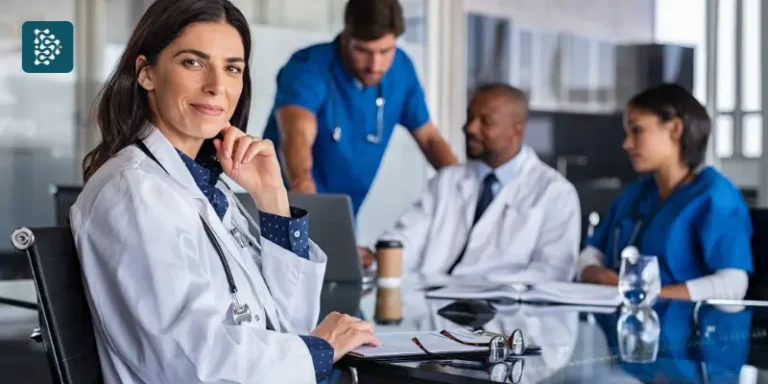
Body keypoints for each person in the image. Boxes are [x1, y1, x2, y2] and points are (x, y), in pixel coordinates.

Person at [70, 1, 379, 383]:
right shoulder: (133, 191)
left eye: (232, 68)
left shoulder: (208, 189)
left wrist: (273, 200)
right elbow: (187, 360)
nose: (217, 86)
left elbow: (288, 324)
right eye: (193, 62)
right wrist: (321, 349)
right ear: (146, 73)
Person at [262, 0, 458, 220]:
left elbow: (430, 139)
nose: (375, 65)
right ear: (346, 37)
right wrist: (308, 201)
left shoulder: (402, 70)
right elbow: (296, 133)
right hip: (288, 207)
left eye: (385, 51)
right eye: (364, 51)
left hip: (342, 215)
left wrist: (466, 190)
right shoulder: (309, 67)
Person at [367, 83, 581, 280]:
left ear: (517, 130)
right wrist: (377, 259)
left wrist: (482, 287)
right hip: (432, 311)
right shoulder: (446, 181)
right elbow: (406, 241)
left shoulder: (555, 192)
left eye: (485, 122)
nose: (470, 128)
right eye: (470, 118)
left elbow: (553, 271)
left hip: (511, 315)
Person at [578, 83, 753, 301]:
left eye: (637, 130)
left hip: (684, 329)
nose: (627, 144)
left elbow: (732, 284)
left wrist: (646, 296)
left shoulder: (715, 196)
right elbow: (589, 256)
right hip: (623, 325)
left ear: (674, 129)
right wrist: (601, 276)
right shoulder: (635, 194)